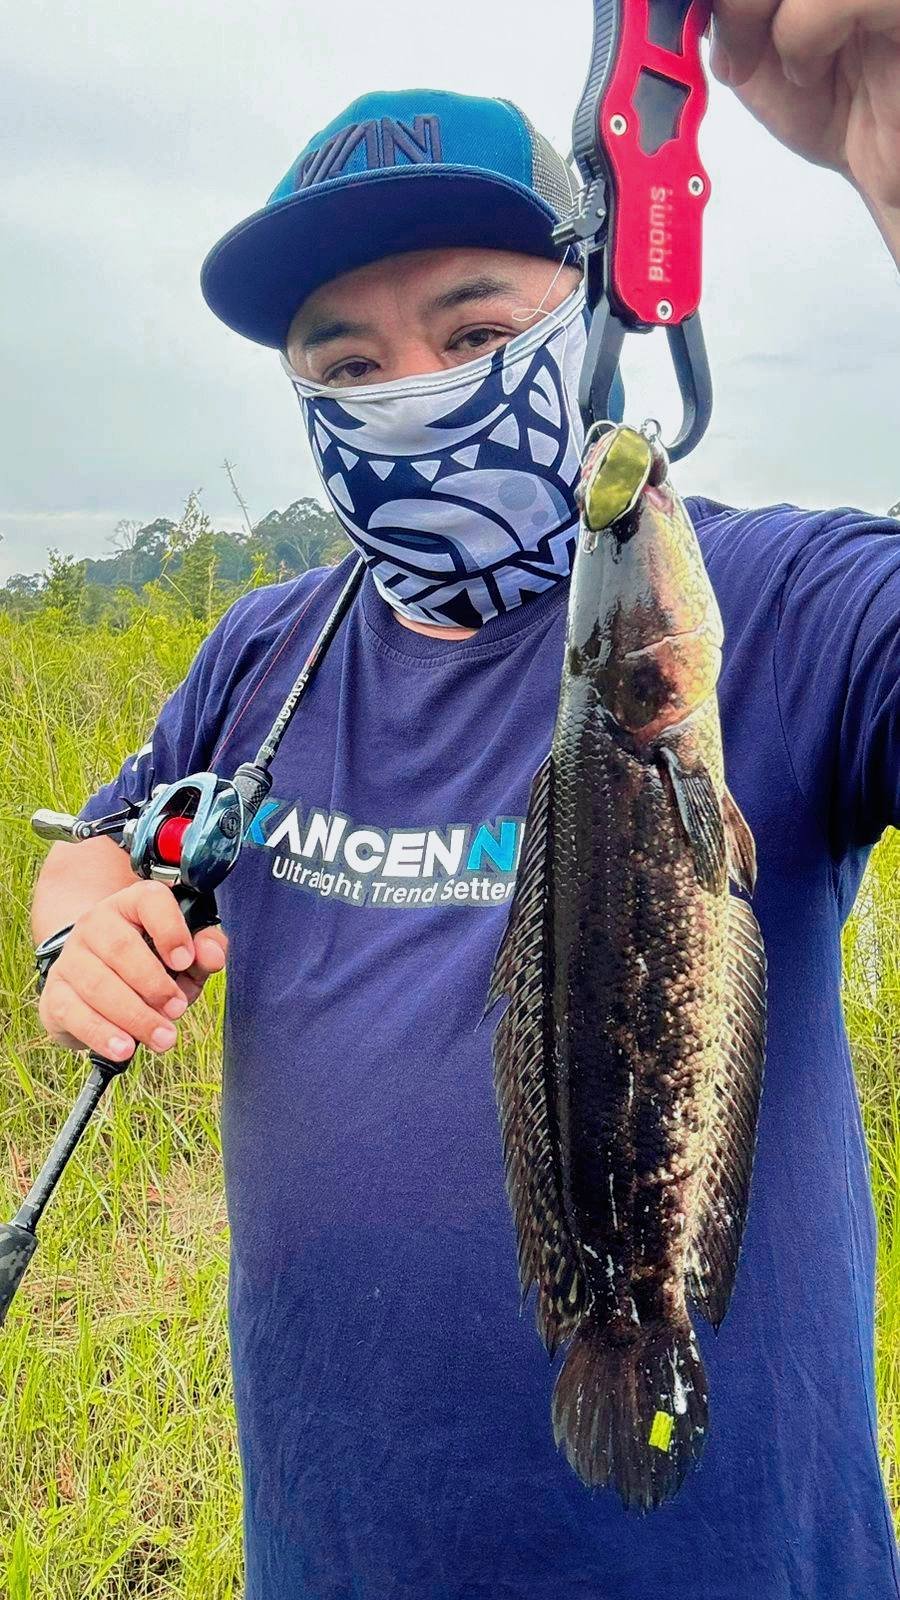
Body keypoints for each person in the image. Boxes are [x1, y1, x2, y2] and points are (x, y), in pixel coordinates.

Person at [30, 4, 900, 1595]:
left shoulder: (780, 604)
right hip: (334, 1549)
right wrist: (78, 928)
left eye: (477, 330)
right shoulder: (265, 652)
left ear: (596, 317)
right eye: (346, 364)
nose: (411, 391)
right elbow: (102, 839)